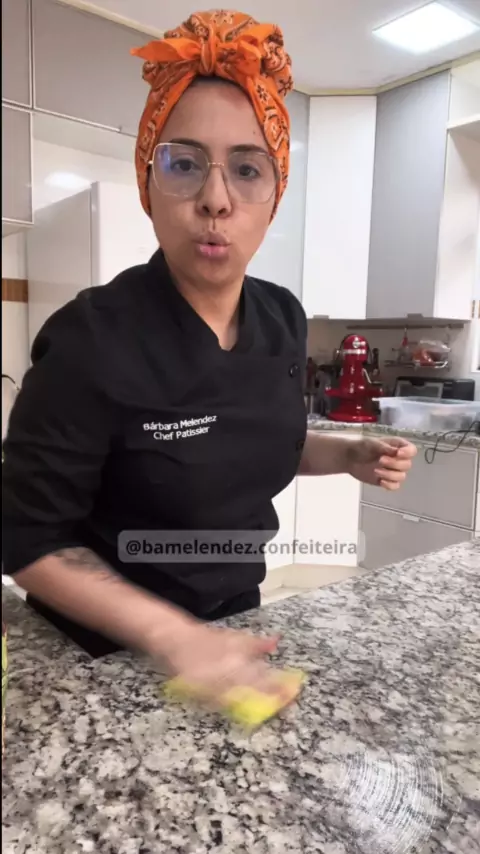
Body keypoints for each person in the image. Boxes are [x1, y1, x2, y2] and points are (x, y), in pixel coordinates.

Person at [2, 11, 416, 708]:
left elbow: (249, 438)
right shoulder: (90, 338)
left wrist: (344, 454)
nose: (216, 200)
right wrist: (174, 638)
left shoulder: (282, 317)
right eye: (184, 164)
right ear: (149, 181)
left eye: (247, 169)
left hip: (232, 629)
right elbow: (28, 542)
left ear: (274, 193)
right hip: (98, 657)